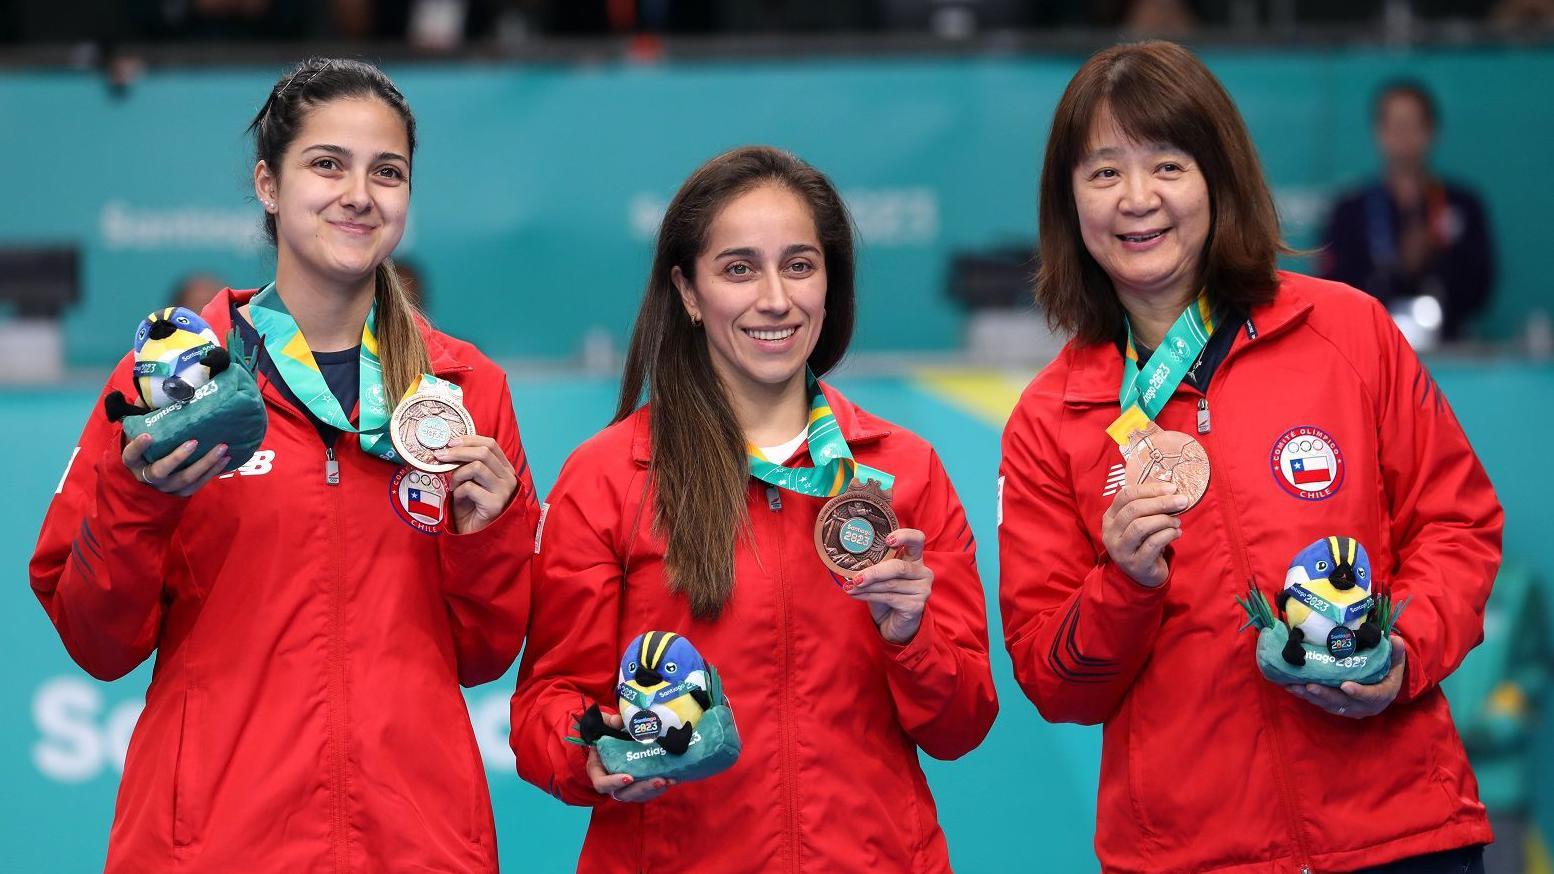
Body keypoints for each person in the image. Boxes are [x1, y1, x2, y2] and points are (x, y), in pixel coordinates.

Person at [999, 41, 1502, 873]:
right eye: (1102, 173)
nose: (1136, 200)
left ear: (1218, 178)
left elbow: (1459, 524)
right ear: (1069, 204)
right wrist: (1121, 581)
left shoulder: (1346, 332)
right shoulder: (1050, 420)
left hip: (1399, 833)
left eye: (1167, 164)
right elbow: (1057, 684)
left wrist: (1400, 652)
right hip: (1196, 854)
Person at [29, 58, 537, 872]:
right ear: (268, 184)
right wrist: (140, 498)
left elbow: (484, 653)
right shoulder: (170, 378)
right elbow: (97, 641)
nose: (359, 193)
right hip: (212, 845)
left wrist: (487, 535)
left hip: (415, 846)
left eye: (388, 172)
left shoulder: (463, 391)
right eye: (327, 164)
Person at [510, 145, 997, 872]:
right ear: (689, 292)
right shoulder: (610, 475)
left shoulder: (901, 471)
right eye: (739, 269)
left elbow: (962, 724)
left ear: (830, 283)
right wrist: (595, 748)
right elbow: (545, 705)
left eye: (799, 265)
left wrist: (910, 636)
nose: (776, 298)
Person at [1320, 80, 1495, 342]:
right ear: (1380, 132)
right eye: (1396, 126)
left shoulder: (1462, 204)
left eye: (1413, 126)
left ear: (1431, 131)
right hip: (1372, 345)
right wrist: (1397, 267)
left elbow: (1481, 285)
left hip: (1449, 348)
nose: (1404, 136)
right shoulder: (1350, 210)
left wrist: (1432, 259)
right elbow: (1334, 286)